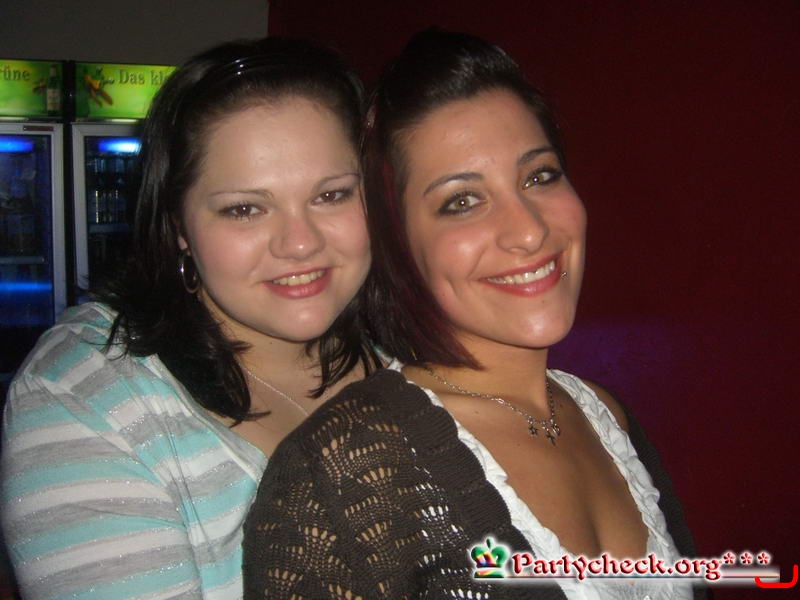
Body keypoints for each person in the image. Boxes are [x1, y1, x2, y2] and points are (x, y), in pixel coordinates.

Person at [243, 29, 700, 599]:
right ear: (397, 243)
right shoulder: (340, 474)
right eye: (462, 201)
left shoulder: (607, 417)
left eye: (539, 175)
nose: (529, 230)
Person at [1, 36, 379, 599]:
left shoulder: (415, 348)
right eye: (244, 209)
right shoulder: (82, 399)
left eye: (331, 195)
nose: (300, 243)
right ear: (178, 224)